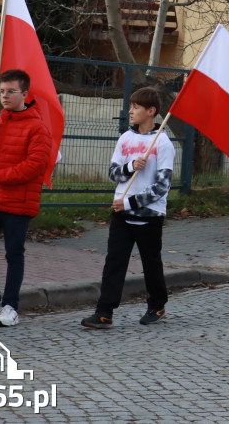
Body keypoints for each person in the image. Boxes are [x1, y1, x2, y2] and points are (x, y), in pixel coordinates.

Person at [81, 87, 174, 329]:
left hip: (149, 216)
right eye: (130, 106)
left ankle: (157, 306)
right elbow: (113, 174)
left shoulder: (163, 143)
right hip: (121, 214)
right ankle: (104, 313)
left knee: (150, 263)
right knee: (114, 262)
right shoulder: (125, 138)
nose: (130, 111)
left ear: (151, 111)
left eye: (135, 107)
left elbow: (162, 187)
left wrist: (131, 202)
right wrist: (131, 166)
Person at [0, 69, 52, 328]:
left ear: (24, 94)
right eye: (1, 91)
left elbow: (34, 167)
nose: (4, 96)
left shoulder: (37, 127)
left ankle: (11, 307)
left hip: (18, 201)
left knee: (14, 253)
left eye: (10, 91)